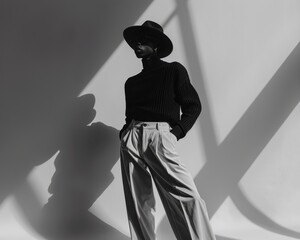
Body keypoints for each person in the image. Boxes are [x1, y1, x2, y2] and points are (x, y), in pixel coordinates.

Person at [119, 20, 216, 240]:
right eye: (135, 41)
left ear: (156, 46)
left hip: (160, 136)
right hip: (132, 138)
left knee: (187, 197)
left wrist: (175, 133)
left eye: (143, 41)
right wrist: (125, 133)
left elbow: (193, 105)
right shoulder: (131, 82)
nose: (137, 44)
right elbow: (129, 115)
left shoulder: (173, 70)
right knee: (138, 201)